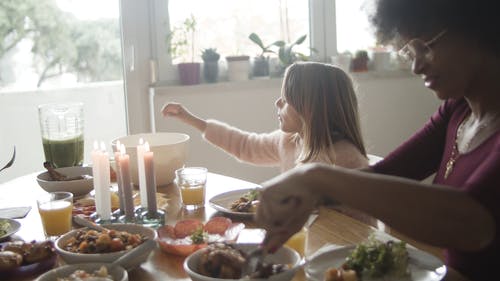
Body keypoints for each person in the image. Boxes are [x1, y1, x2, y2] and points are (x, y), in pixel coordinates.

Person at [255, 0, 500, 280]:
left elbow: (472, 223)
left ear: (478, 27)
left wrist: (316, 177)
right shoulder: (458, 110)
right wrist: (304, 197)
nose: (417, 67)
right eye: (410, 51)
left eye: (428, 46)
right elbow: (385, 175)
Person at [162, 62, 368, 171]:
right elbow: (245, 146)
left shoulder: (346, 160)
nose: (277, 103)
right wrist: (190, 119)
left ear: (310, 109)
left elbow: (357, 226)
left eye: (286, 100)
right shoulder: (289, 141)